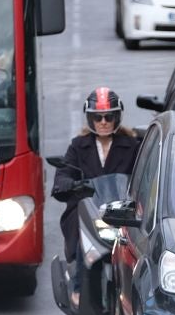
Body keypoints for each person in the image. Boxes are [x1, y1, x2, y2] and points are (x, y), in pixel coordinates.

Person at [52, 89, 141, 296]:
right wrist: (68, 184)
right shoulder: (77, 146)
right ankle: (78, 288)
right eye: (97, 117)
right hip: (89, 208)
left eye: (108, 116)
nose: (103, 122)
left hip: (121, 210)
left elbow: (145, 173)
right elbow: (64, 172)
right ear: (90, 118)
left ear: (117, 117)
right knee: (78, 225)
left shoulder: (132, 145)